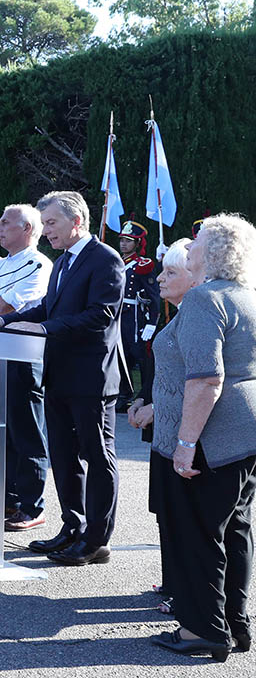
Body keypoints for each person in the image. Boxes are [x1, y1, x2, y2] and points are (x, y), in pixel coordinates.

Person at [0, 191, 127, 567]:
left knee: (97, 457)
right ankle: (72, 527)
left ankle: (96, 540)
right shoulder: (63, 262)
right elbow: (47, 306)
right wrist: (5, 320)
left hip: (90, 379)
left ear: (77, 222)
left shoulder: (106, 259)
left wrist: (42, 328)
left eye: (52, 222)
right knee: (64, 456)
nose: (46, 230)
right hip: (58, 376)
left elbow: (100, 316)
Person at [139, 216, 256, 661]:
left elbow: (206, 379)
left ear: (216, 251)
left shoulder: (205, 298)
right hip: (242, 436)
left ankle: (200, 630)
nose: (189, 248)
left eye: (198, 242)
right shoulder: (245, 295)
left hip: (208, 438)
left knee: (197, 533)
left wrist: (186, 443)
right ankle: (234, 624)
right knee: (234, 530)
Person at [0, 204, 54, 531]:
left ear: (27, 229)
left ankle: (32, 506)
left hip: (22, 355)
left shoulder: (38, 264)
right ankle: (9, 499)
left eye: (6, 223)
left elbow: (2, 306)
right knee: (1, 432)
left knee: (28, 432)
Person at [126, 239, 193, 621]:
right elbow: (157, 369)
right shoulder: (174, 315)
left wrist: (155, 407)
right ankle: (171, 583)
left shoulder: (198, 316)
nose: (160, 278)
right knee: (164, 510)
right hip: (160, 428)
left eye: (170, 272)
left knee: (182, 513)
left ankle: (184, 590)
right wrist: (138, 398)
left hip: (179, 429)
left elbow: (200, 381)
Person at [118, 220, 161, 403]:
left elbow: (154, 296)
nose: (123, 244)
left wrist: (152, 323)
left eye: (128, 241)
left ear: (137, 244)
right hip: (118, 315)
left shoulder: (143, 265)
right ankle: (124, 394)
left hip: (135, 317)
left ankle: (145, 395)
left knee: (141, 357)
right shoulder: (116, 262)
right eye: (122, 240)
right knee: (121, 357)